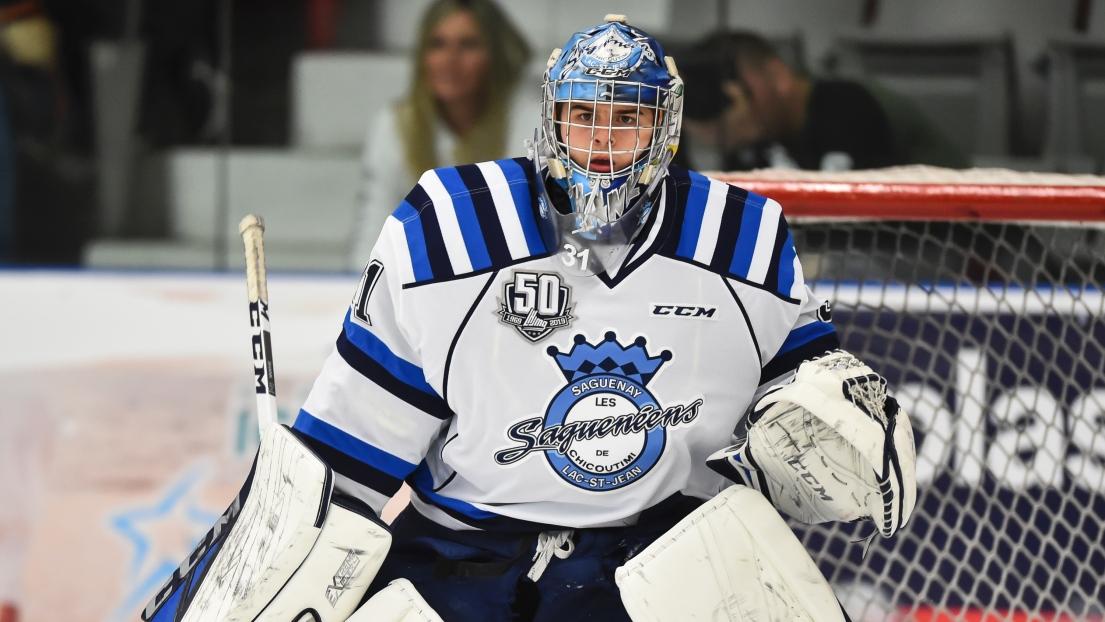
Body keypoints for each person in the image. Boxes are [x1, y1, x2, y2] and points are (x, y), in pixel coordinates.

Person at [143, 16, 916, 622]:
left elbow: (808, 398)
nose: (603, 145)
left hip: (656, 556)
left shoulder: (740, 242)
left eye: (626, 119)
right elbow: (345, 461)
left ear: (666, 128)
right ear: (549, 119)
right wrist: (260, 559)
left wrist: (842, 429)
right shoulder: (447, 231)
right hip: (461, 559)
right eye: (583, 117)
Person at [350, 0, 530, 270]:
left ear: (494, 55)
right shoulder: (395, 125)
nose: (450, 60)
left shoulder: (529, 119)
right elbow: (373, 231)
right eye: (437, 44)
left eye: (468, 45)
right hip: (420, 285)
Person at [678, 30, 969, 172]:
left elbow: (852, 221)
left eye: (734, 84)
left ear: (777, 75)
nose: (726, 102)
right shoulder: (757, 141)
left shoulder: (846, 105)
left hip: (957, 244)